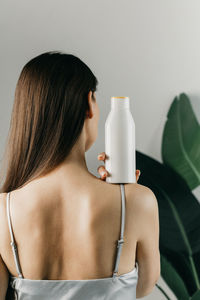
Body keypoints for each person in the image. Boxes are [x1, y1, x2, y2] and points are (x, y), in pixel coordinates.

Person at [0, 51, 160, 299]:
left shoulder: (3, 210)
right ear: (89, 104)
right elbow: (142, 288)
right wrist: (124, 198)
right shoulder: (139, 201)